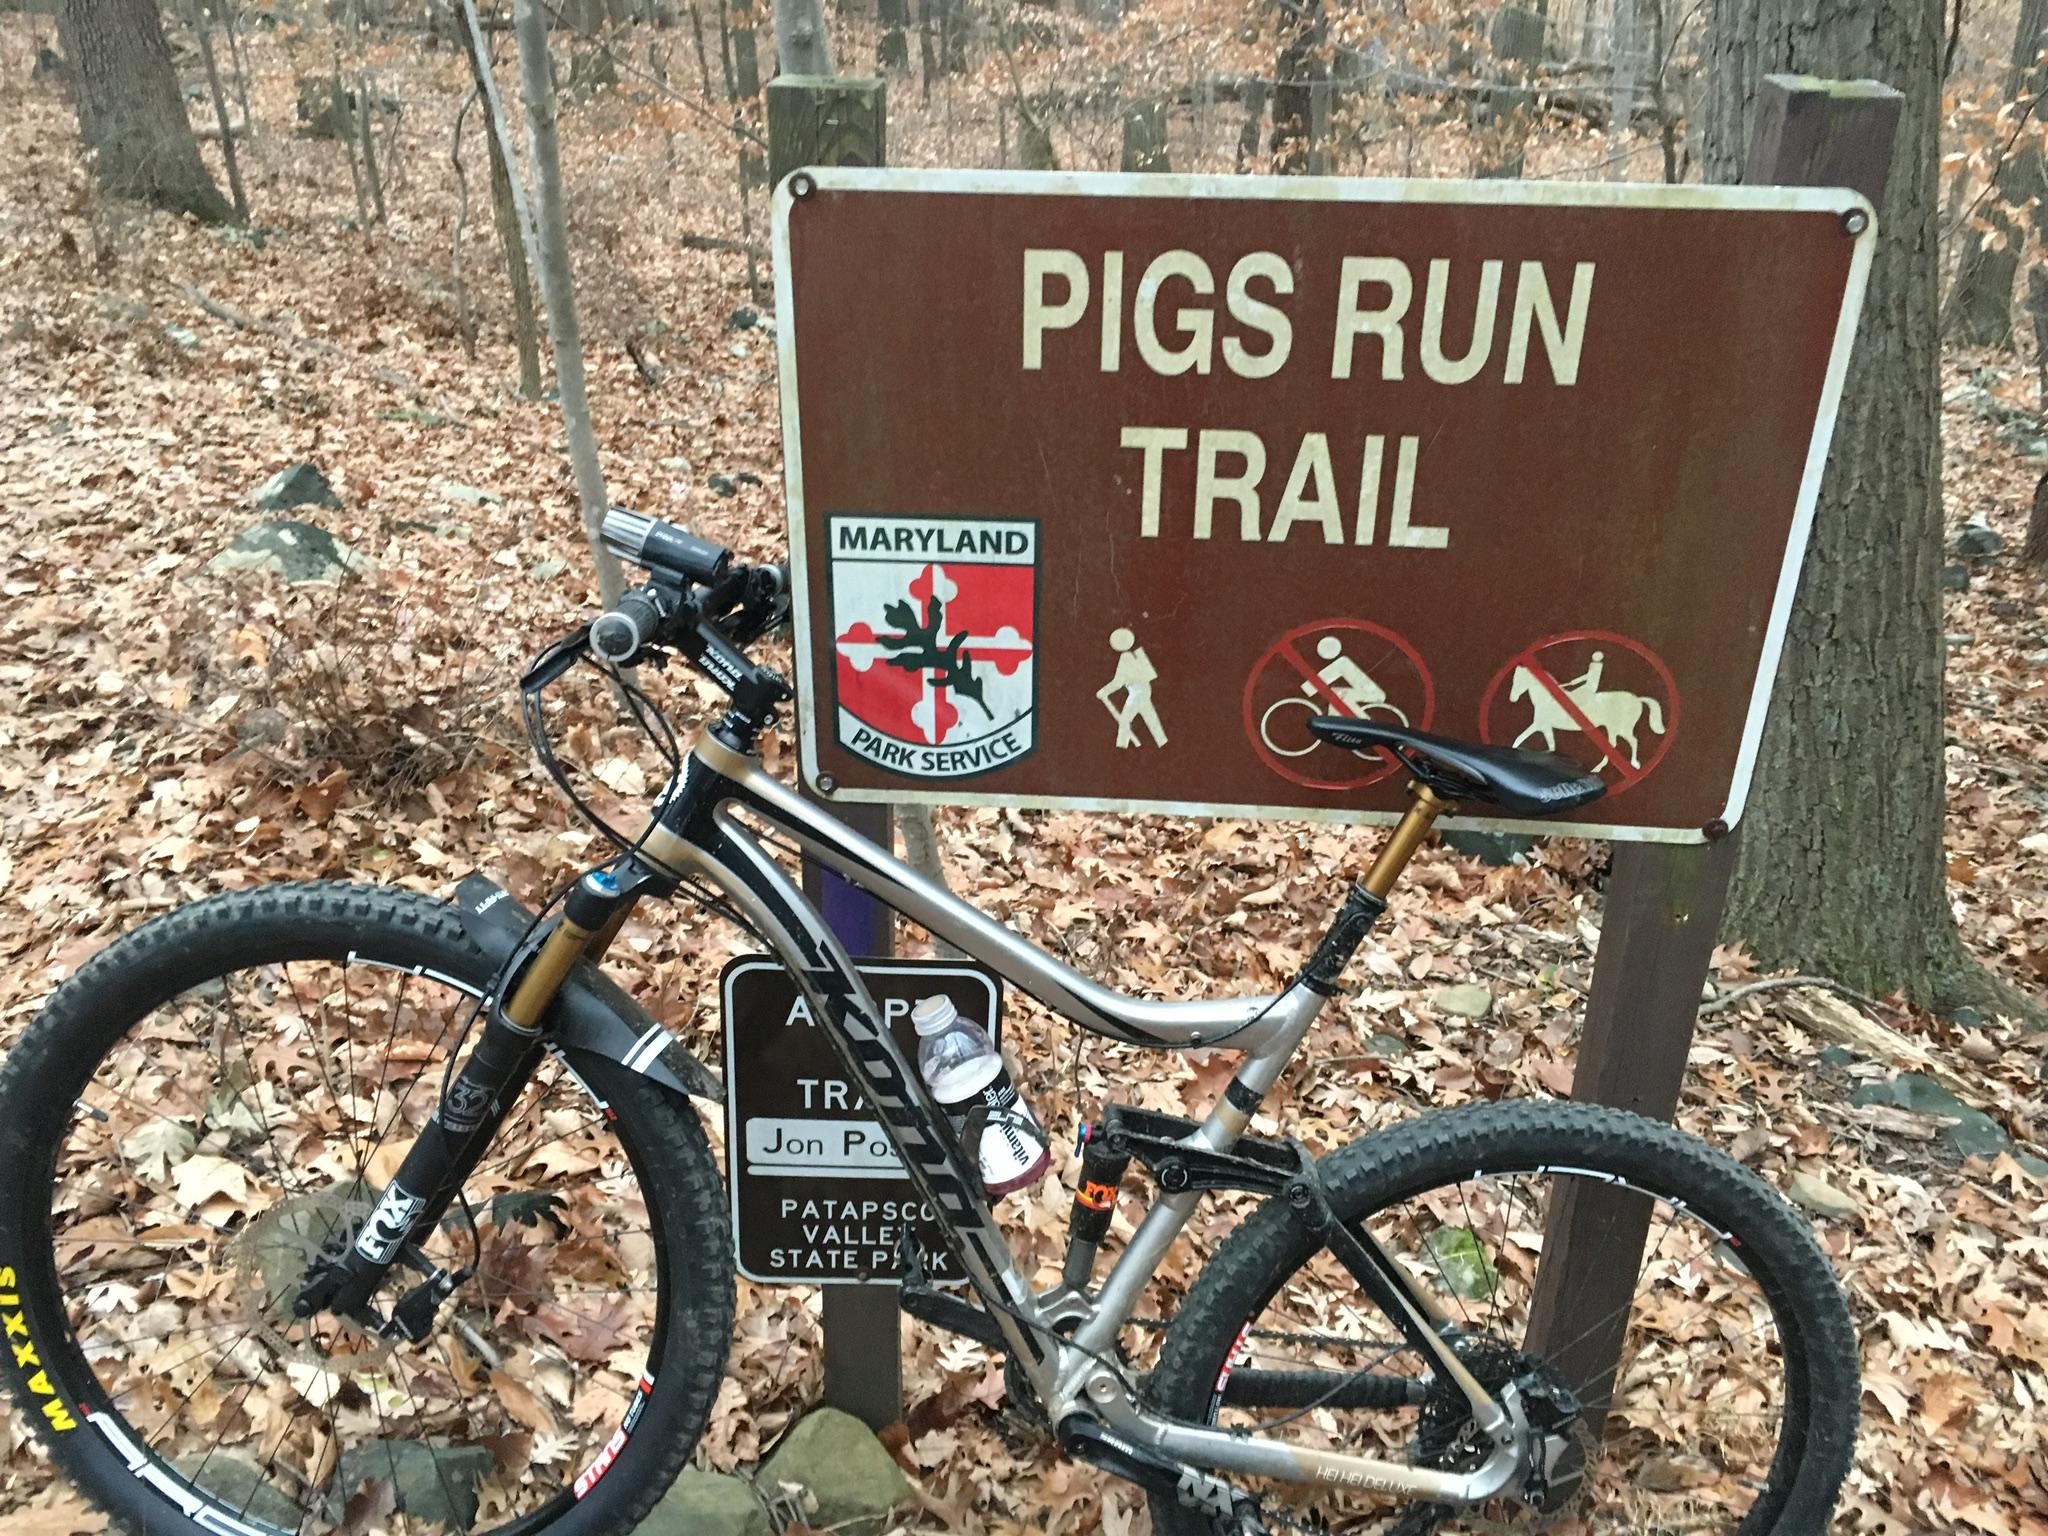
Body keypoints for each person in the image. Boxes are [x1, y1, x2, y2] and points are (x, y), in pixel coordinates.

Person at [1097, 628, 1166, 748]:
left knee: (1124, 721)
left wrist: (1104, 691)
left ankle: (1121, 749)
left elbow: (1118, 682)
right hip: (1144, 692)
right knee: (1152, 720)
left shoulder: (1125, 659)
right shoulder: (1138, 655)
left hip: (1136, 694)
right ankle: (1163, 743)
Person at [1303, 634, 1388, 715]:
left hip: (1373, 694)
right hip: (1369, 692)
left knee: (1339, 690)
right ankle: (1308, 688)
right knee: (1339, 692)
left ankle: (1308, 688)